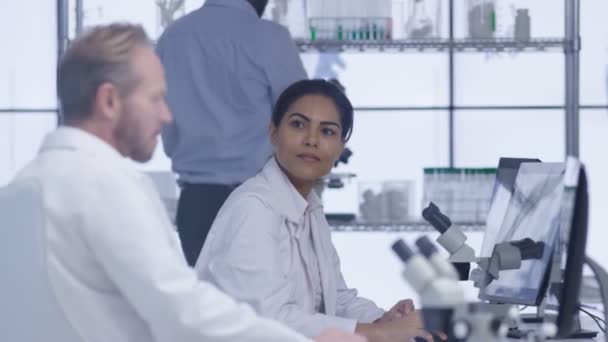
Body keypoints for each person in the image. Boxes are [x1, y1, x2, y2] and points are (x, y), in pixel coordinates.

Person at [14, 24, 363, 342]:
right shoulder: (105, 187)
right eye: (155, 98)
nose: (166, 115)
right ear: (109, 101)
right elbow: (181, 312)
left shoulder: (23, 188)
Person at [196, 79, 441, 342]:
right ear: (273, 132)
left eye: (327, 131)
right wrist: (380, 333)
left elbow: (336, 297)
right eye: (298, 124)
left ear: (340, 148)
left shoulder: (309, 207)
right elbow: (266, 321)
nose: (311, 140)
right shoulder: (253, 208)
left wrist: (383, 319)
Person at [156, 0, 308, 266]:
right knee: (271, 304)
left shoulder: (173, 37)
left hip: (195, 204)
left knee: (213, 304)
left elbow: (163, 120)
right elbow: (303, 119)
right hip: (260, 201)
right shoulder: (268, 37)